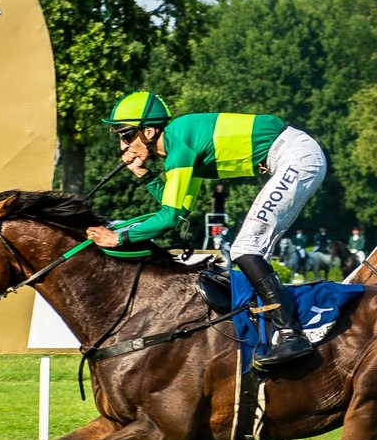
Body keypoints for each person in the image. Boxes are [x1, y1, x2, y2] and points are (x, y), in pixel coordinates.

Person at [86, 91, 328, 369]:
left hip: (296, 156)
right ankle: (280, 326)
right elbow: (177, 210)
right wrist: (146, 175)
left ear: (150, 131)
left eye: (127, 135)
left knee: (246, 247)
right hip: (291, 156)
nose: (122, 145)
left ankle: (291, 335)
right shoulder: (180, 146)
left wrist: (120, 237)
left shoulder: (179, 144)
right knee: (246, 247)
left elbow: (169, 218)